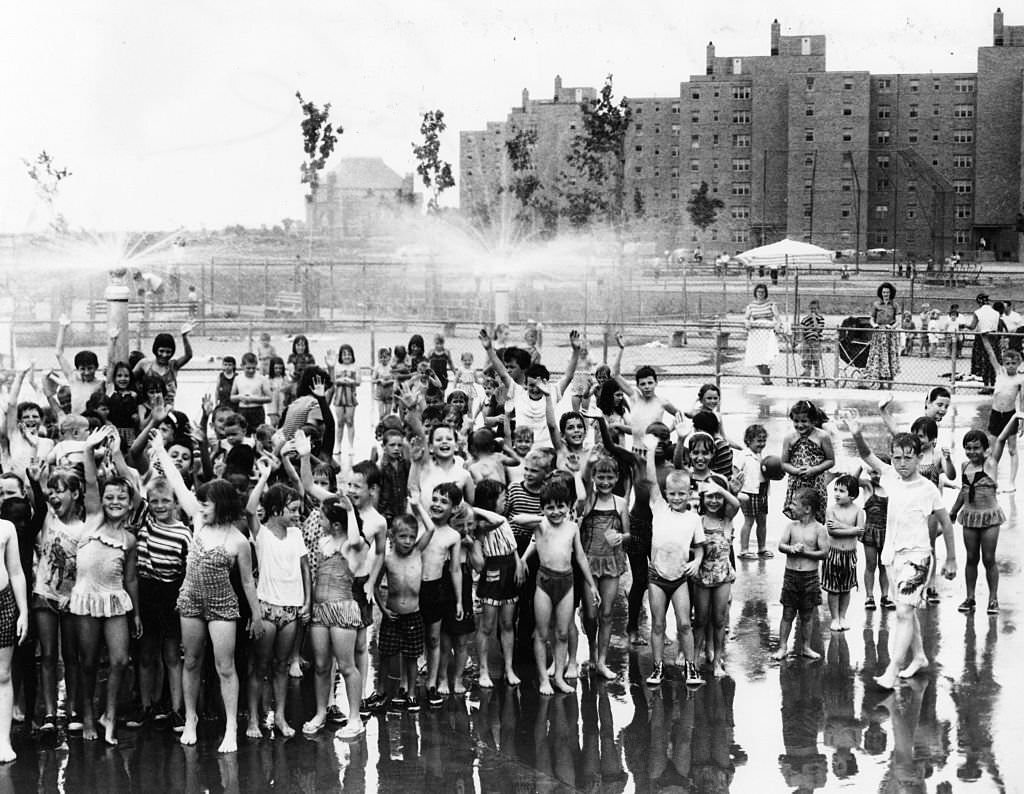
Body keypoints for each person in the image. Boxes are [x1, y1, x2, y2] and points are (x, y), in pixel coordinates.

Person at [150, 431, 263, 753]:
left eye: (206, 502)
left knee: (224, 666)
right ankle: (191, 719)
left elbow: (247, 582)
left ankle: (230, 726)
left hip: (222, 605)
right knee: (191, 662)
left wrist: (255, 615)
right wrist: (160, 451)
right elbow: (179, 484)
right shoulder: (198, 521)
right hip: (190, 599)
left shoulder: (239, 541)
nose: (199, 505)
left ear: (222, 505)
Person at [847, 418, 956, 690]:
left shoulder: (928, 489)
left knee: (904, 612)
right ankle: (919, 656)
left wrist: (952, 557)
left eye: (908, 458)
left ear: (919, 457)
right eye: (897, 458)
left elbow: (946, 522)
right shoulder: (889, 477)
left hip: (918, 556)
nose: (902, 464)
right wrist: (857, 434)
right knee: (907, 610)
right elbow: (866, 455)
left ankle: (892, 669)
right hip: (892, 555)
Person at [245, 469, 310, 739]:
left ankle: (280, 716)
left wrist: (308, 602)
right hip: (267, 607)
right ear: (275, 509)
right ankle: (252, 718)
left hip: (291, 609)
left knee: (281, 665)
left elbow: (305, 568)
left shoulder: (296, 535)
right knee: (260, 666)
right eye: (293, 510)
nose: (298, 515)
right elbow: (250, 509)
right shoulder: (261, 534)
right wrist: (264, 476)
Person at [521, 476, 599, 696]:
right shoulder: (540, 525)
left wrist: (592, 585)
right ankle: (543, 679)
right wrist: (540, 516)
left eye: (560, 507)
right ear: (542, 508)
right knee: (541, 633)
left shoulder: (573, 527)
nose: (555, 512)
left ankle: (558, 677)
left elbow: (581, 557)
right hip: (544, 582)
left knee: (563, 632)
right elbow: (517, 519)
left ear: (569, 506)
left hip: (567, 581)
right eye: (550, 507)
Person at [641, 434, 705, 687]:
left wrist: (697, 562)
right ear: (665, 493)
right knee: (657, 624)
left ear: (690, 493)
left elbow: (699, 548)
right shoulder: (658, 507)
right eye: (672, 494)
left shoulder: (693, 519)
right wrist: (650, 451)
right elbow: (649, 479)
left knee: (685, 624)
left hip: (679, 578)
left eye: (681, 494)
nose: (677, 498)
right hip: (657, 576)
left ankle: (691, 667)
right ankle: (657, 667)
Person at [302, 495, 366, 739]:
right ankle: (320, 711)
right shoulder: (323, 542)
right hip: (321, 609)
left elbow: (355, 538)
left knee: (347, 665)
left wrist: (350, 511)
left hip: (341, 608)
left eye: (323, 517)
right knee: (321, 665)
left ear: (336, 524)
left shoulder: (349, 546)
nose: (319, 519)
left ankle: (355, 717)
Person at [949, 422, 1016, 615]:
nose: (972, 452)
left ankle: (993, 599)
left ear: (985, 449)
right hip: (969, 516)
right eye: (968, 448)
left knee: (988, 559)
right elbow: (964, 491)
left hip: (989, 518)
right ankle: (970, 598)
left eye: (976, 447)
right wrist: (953, 512)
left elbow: (1001, 439)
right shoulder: (965, 466)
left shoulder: (990, 463)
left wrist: (1014, 419)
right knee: (971, 558)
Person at [372, 509, 434, 712]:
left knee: (412, 656)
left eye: (411, 537)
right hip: (393, 615)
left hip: (414, 615)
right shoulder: (388, 559)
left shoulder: (417, 552)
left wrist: (417, 508)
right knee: (386, 654)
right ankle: (380, 692)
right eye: (403, 536)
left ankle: (411, 694)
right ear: (392, 536)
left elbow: (431, 528)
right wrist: (382, 609)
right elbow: (373, 586)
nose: (407, 541)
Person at [467, 480, 524, 688]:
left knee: (508, 623)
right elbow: (498, 520)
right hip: (492, 571)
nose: (506, 501)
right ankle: (483, 670)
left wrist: (518, 563)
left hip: (509, 568)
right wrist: (474, 508)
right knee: (487, 625)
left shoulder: (503, 520)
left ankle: (509, 667)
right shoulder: (483, 523)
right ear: (491, 501)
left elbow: (512, 545)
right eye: (503, 497)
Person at [772, 488, 828, 661]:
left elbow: (824, 553)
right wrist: (791, 548)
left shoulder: (819, 529)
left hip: (810, 577)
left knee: (807, 614)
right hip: (791, 576)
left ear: (807, 509)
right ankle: (782, 647)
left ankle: (806, 647)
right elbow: (781, 546)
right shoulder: (791, 526)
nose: (790, 506)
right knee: (787, 612)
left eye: (794, 504)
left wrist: (805, 553)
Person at [692, 474, 739, 676]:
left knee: (719, 620)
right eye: (709, 497)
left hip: (722, 576)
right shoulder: (697, 520)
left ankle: (718, 660)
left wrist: (720, 488)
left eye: (718, 497)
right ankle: (693, 658)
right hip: (701, 576)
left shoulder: (726, 520)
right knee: (701, 619)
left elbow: (736, 504)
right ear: (702, 499)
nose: (714, 501)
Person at [0, 508, 28, 762]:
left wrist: (24, 612)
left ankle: (3, 740)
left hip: (4, 601)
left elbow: (16, 571)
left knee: (3, 673)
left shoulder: (6, 528)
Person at [823, 475, 865, 632]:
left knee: (846, 587)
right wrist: (852, 529)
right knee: (833, 588)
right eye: (835, 489)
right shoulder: (831, 509)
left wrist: (842, 526)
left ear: (852, 495)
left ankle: (842, 616)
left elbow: (860, 533)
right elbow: (832, 532)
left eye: (842, 491)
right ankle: (834, 618)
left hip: (850, 554)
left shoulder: (858, 511)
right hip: (833, 553)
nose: (837, 494)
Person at [781, 400, 834, 525]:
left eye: (804, 421)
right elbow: (784, 463)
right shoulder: (789, 438)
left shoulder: (822, 436)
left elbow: (831, 460)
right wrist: (795, 471)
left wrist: (814, 470)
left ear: (813, 420)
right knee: (797, 518)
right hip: (796, 484)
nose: (800, 425)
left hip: (816, 484)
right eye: (796, 421)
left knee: (815, 519)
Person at [132, 321, 196, 407]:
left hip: (167, 410)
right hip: (147, 411)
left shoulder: (173, 365)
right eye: (161, 351)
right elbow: (130, 379)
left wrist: (184, 336)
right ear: (155, 350)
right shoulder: (145, 364)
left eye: (168, 352)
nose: (164, 355)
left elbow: (188, 355)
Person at [737, 423, 770, 560]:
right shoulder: (744, 455)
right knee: (749, 521)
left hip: (762, 491)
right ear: (749, 441)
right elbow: (735, 471)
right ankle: (744, 550)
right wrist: (737, 486)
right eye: (758, 440)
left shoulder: (763, 456)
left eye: (764, 440)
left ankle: (762, 548)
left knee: (762, 521)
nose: (761, 443)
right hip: (748, 492)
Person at [743, 284, 781, 385]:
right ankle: (765, 379)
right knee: (757, 356)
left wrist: (778, 325)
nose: (761, 294)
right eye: (759, 292)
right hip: (755, 333)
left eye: (763, 292)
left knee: (767, 356)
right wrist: (746, 322)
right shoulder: (751, 305)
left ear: (766, 293)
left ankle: (767, 378)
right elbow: (746, 318)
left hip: (767, 332)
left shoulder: (771, 304)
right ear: (755, 292)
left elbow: (778, 318)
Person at [865, 282, 900, 387]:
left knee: (889, 356)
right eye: (884, 292)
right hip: (879, 334)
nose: (885, 294)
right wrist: (874, 325)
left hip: (889, 334)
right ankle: (880, 382)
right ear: (881, 293)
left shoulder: (895, 305)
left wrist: (892, 327)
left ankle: (890, 382)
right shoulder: (876, 304)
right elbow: (871, 319)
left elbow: (898, 320)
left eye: (887, 292)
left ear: (891, 293)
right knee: (879, 357)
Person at [965, 293, 1001, 393]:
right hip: (994, 337)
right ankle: (993, 385)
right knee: (994, 361)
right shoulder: (996, 313)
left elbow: (972, 326)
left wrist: (964, 325)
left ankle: (986, 385)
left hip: (983, 337)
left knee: (984, 361)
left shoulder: (978, 312)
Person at [230, 352, 270, 432]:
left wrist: (254, 399)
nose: (251, 370)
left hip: (257, 410)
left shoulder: (261, 379)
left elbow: (269, 398)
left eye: (253, 368)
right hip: (242, 410)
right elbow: (232, 397)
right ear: (242, 366)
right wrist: (240, 397)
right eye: (248, 368)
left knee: (258, 433)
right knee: (242, 432)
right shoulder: (238, 378)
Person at [798, 300, 826, 386]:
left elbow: (818, 329)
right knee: (807, 363)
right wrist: (802, 343)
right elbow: (802, 331)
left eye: (815, 309)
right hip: (807, 342)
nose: (813, 310)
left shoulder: (821, 319)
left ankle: (817, 380)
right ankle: (807, 379)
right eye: (811, 309)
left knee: (816, 363)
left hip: (816, 343)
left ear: (818, 309)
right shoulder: (805, 320)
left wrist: (814, 318)